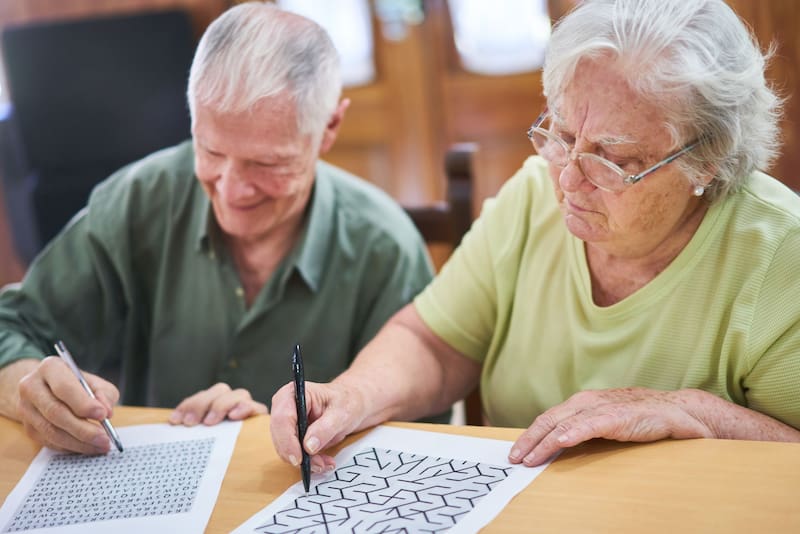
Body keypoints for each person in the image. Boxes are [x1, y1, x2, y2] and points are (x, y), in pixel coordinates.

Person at [271, 0, 800, 474]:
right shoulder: (531, 197)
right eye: (563, 136)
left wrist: (698, 413)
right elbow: (434, 343)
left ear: (706, 160)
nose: (568, 179)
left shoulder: (780, 254)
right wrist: (352, 395)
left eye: (613, 160)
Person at [0, 2, 437, 455]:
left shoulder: (387, 250)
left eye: (266, 163)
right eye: (209, 151)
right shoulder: (138, 201)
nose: (230, 189)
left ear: (329, 128)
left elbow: (420, 437)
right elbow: (10, 327)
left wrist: (285, 433)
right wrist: (27, 387)